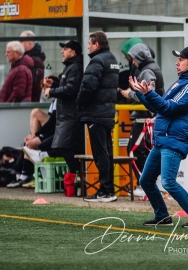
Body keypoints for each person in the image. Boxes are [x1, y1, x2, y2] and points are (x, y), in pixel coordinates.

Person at [129, 46, 188, 228]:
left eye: (181, 59)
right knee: (146, 180)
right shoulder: (183, 81)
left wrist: (148, 93)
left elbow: (168, 108)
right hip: (164, 139)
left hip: (174, 139)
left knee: (168, 181)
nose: (177, 62)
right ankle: (162, 216)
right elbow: (161, 107)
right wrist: (144, 95)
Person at [23, 40, 84, 185]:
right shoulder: (69, 67)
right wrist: (55, 84)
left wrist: (52, 91)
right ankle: (77, 175)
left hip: (71, 115)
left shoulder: (75, 67)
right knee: (62, 146)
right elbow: (67, 87)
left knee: (62, 146)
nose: (62, 52)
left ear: (73, 52)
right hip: (66, 115)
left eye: (65, 49)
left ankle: (79, 174)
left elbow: (71, 90)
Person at [77, 31, 119, 203]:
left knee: (100, 153)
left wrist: (80, 104)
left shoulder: (97, 60)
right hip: (107, 113)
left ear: (96, 44)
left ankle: (105, 191)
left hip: (96, 114)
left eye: (89, 43)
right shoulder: (112, 60)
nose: (87, 46)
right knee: (107, 152)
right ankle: (109, 190)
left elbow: (87, 87)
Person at [119, 43, 165, 197]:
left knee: (134, 150)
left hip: (144, 118)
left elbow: (148, 94)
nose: (132, 62)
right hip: (149, 117)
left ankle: (144, 184)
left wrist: (130, 94)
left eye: (133, 59)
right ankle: (147, 184)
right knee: (145, 151)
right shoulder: (153, 68)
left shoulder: (147, 71)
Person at [7, 98, 57, 188]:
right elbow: (50, 123)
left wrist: (37, 136)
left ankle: (27, 175)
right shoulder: (55, 101)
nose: (44, 88)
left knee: (35, 112)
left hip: (58, 133)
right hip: (53, 132)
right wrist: (33, 136)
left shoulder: (62, 97)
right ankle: (25, 175)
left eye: (46, 85)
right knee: (29, 143)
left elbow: (53, 124)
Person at [20, 30, 46, 102]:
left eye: (22, 41)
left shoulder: (34, 61)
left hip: (28, 103)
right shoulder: (25, 59)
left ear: (29, 44)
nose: (19, 43)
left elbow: (34, 86)